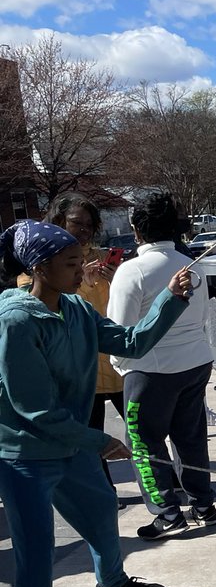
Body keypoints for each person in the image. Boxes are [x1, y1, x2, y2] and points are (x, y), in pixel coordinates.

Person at [0, 220, 191, 587]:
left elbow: (132, 343)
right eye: (70, 263)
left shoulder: (77, 308)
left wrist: (170, 299)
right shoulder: (15, 320)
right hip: (25, 454)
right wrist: (98, 440)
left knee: (103, 509)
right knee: (35, 552)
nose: (81, 270)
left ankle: (112, 585)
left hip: (70, 442)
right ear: (38, 268)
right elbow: (33, 407)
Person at [108, 192, 216, 541]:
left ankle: (168, 513)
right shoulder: (192, 265)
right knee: (190, 438)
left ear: (136, 229)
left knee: (143, 442)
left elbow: (120, 330)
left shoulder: (132, 270)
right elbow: (202, 317)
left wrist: (120, 366)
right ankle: (203, 504)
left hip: (150, 370)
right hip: (196, 361)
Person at [43, 194, 126, 490]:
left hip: (116, 362)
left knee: (143, 432)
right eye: (77, 223)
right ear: (58, 221)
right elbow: (49, 308)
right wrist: (84, 286)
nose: (84, 231)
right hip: (81, 369)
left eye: (89, 225)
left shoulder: (102, 257)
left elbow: (120, 309)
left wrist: (118, 279)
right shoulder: (45, 262)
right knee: (92, 439)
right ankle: (105, 492)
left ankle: (164, 486)